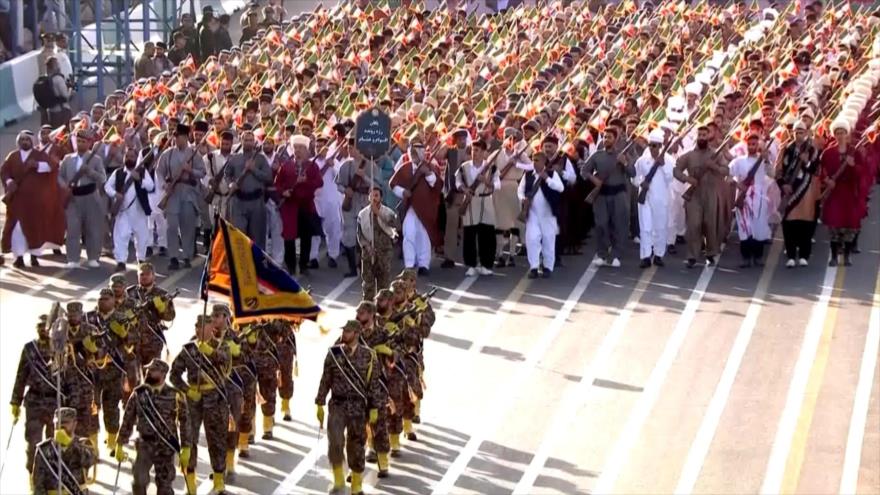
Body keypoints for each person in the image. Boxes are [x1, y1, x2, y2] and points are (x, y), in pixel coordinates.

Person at [315, 320, 381, 495]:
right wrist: (319, 402)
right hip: (337, 404)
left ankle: (357, 485)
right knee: (335, 442)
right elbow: (325, 379)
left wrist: (374, 407)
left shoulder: (369, 356)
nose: (345, 334)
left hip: (358, 406)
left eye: (349, 331)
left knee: (356, 445)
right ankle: (338, 482)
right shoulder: (334, 353)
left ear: (357, 334)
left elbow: (373, 385)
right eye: (344, 331)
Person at [170, 315, 231, 494]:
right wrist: (187, 390)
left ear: (212, 327)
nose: (198, 329)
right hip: (194, 400)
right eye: (196, 326)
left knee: (217, 439)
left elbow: (226, 361)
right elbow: (174, 374)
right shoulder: (188, 350)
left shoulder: (222, 345)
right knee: (189, 441)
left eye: (202, 326)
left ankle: (219, 479)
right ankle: (191, 483)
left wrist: (210, 352)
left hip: (216, 398)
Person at [117, 358, 192, 495]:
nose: (148, 372)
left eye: (153, 370)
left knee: (164, 486)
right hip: (145, 444)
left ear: (163, 374)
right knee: (139, 481)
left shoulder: (175, 395)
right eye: (148, 369)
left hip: (166, 446)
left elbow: (185, 421)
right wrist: (120, 444)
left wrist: (186, 447)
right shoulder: (139, 393)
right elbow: (128, 419)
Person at [1, 130, 64, 268]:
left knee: (34, 228)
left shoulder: (39, 155)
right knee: (17, 229)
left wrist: (37, 165)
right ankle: (19, 257)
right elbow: (4, 171)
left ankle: (34, 256)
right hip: (17, 201)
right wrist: (9, 181)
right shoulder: (13, 156)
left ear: (31, 141)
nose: (24, 142)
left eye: (27, 140)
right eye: (22, 139)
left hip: (35, 202)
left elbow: (52, 167)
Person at [674, 125, 729, 268]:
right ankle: (692, 255)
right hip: (694, 196)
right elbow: (676, 170)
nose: (702, 137)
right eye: (700, 135)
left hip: (710, 194)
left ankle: (711, 253)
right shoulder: (689, 155)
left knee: (710, 224)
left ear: (708, 136)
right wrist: (687, 179)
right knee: (694, 225)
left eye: (705, 135)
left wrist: (714, 166)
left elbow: (726, 170)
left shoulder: (716, 154)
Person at [10, 315, 59, 476]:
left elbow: (67, 377)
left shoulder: (60, 348)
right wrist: (16, 401)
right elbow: (21, 376)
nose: (43, 329)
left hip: (54, 402)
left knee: (54, 443)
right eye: (40, 326)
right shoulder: (30, 349)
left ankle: (51, 477)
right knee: (33, 443)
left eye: (46, 327)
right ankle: (34, 476)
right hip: (34, 401)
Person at [581, 127, 634, 267]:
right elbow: (584, 171)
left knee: (619, 224)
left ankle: (617, 254)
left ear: (616, 139)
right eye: (605, 137)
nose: (606, 140)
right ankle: (602, 254)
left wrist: (625, 163)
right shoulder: (597, 155)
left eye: (609, 137)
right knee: (601, 224)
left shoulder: (622, 155)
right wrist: (594, 180)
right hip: (602, 193)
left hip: (618, 193)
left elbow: (632, 173)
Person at [156, 123, 206, 270]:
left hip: (188, 193)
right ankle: (173, 257)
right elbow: (159, 172)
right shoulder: (168, 154)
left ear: (185, 137)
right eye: (175, 136)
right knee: (171, 226)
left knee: (187, 227)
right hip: (173, 192)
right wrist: (164, 185)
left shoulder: (194, 153)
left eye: (178, 137)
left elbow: (202, 172)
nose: (176, 139)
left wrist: (190, 170)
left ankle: (186, 256)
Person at [390, 136, 443, 275]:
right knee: (409, 232)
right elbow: (393, 184)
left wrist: (428, 174)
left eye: (418, 149)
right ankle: (409, 264)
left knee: (424, 235)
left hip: (427, 208)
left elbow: (437, 186)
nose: (414, 152)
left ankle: (424, 264)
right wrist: (403, 192)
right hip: (411, 208)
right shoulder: (405, 168)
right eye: (412, 149)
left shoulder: (430, 166)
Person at [58, 129, 106, 268]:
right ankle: (73, 258)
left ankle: (93, 257)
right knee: (73, 229)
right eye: (78, 141)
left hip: (90, 196)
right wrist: (65, 186)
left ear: (89, 143)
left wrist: (89, 172)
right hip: (73, 197)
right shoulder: (68, 159)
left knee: (93, 229)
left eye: (83, 141)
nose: (80, 144)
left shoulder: (95, 159)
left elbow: (103, 178)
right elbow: (59, 176)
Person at [820, 121, 866, 267]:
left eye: (843, 133)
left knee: (849, 225)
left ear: (847, 134)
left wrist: (853, 166)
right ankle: (833, 256)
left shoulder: (854, 152)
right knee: (834, 225)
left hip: (849, 192)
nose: (840, 136)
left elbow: (862, 172)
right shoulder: (828, 153)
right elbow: (821, 171)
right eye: (838, 133)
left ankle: (846, 256)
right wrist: (827, 180)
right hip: (834, 193)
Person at [276, 134, 323, 275]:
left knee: (306, 237)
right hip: (290, 206)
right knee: (289, 237)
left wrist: (306, 182)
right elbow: (277, 184)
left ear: (306, 150)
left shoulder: (312, 166)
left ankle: (303, 265)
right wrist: (283, 192)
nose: (298, 150)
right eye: (295, 147)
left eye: (301, 148)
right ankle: (290, 266)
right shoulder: (286, 166)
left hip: (306, 206)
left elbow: (319, 182)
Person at [730, 134, 779, 268]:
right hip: (743, 198)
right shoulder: (739, 161)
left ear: (758, 146)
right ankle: (745, 257)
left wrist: (767, 160)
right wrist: (738, 184)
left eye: (754, 144)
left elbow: (773, 174)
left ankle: (758, 257)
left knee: (759, 226)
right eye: (749, 144)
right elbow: (728, 175)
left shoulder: (763, 161)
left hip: (759, 199)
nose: (752, 146)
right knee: (745, 228)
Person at [777, 121, 821, 267]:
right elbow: (779, 170)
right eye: (796, 132)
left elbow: (816, 170)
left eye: (801, 132)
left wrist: (807, 162)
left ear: (806, 133)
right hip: (789, 189)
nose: (798, 134)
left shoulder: (812, 150)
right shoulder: (786, 149)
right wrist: (783, 185)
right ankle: (790, 254)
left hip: (805, 189)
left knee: (805, 222)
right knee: (789, 222)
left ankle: (804, 254)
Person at [106, 146, 155, 270]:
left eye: (132, 156)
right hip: (123, 211)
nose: (129, 159)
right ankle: (121, 262)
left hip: (139, 211)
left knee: (141, 237)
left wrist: (139, 179)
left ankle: (141, 260)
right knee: (121, 236)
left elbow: (150, 187)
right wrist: (115, 194)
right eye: (126, 156)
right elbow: (107, 187)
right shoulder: (118, 172)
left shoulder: (142, 171)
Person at [456, 138, 499, 276]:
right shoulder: (464, 167)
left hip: (486, 201)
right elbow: (458, 181)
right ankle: (471, 265)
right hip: (470, 201)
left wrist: (486, 181)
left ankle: (486, 264)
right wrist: (464, 189)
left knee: (487, 234)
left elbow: (497, 185)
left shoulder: (491, 167)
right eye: (473, 150)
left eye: (478, 150)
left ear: (484, 152)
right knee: (469, 235)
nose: (475, 153)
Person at [632, 129, 674, 267]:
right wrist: (640, 183)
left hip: (661, 199)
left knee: (660, 227)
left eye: (655, 145)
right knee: (645, 227)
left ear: (661, 146)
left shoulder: (668, 160)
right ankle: (645, 255)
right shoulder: (642, 160)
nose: (651, 148)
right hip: (645, 198)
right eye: (650, 145)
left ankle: (658, 254)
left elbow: (670, 178)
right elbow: (635, 178)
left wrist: (662, 166)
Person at [518, 151, 564, 278]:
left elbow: (560, 188)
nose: (534, 162)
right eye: (533, 159)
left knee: (548, 240)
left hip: (548, 214)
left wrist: (547, 179)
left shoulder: (551, 174)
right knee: (532, 239)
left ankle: (548, 267)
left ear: (544, 162)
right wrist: (523, 199)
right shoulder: (528, 175)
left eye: (537, 160)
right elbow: (520, 190)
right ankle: (534, 267)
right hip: (532, 213)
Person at [31, 407, 98, 494]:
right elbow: (38, 484)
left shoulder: (83, 444)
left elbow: (89, 461)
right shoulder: (44, 448)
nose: (60, 426)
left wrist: (70, 444)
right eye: (57, 423)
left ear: (75, 424)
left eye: (65, 423)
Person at [337, 141, 380, 278]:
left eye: (353, 147)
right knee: (349, 236)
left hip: (364, 203)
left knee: (366, 237)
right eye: (349, 147)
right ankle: (352, 268)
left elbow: (378, 186)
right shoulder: (345, 166)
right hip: (350, 204)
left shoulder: (370, 165)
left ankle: (364, 267)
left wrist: (364, 177)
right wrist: (346, 191)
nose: (350, 150)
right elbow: (338, 184)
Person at [226, 130, 273, 249]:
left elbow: (268, 177)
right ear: (241, 142)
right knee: (239, 236)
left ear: (254, 142)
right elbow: (227, 174)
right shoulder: (234, 158)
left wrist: (253, 169)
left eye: (251, 140)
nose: (248, 143)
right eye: (246, 140)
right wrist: (231, 184)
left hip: (256, 201)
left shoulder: (261, 159)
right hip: (239, 201)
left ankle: (258, 264)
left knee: (257, 237)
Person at [493, 128, 531, 267]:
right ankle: (500, 253)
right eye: (507, 136)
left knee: (514, 222)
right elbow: (490, 169)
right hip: (499, 188)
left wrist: (517, 162)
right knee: (500, 223)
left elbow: (531, 166)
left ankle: (512, 253)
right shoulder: (497, 153)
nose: (509, 139)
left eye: (512, 137)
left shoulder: (519, 154)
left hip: (514, 187)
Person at [126, 262, 176, 366]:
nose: (144, 277)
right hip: (131, 342)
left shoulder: (162, 294)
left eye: (147, 274)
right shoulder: (129, 293)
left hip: (152, 342)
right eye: (141, 274)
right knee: (133, 376)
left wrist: (161, 308)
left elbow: (170, 316)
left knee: (150, 375)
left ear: (153, 276)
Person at [310, 133, 344, 269]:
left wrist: (332, 165)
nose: (319, 148)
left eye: (322, 145)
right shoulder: (312, 162)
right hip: (316, 201)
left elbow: (341, 176)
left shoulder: (335, 162)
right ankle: (313, 258)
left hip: (331, 201)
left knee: (333, 230)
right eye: (317, 145)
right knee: (314, 232)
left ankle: (333, 255)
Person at [357, 187, 398, 300]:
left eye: (376, 195)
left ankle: (382, 312)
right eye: (372, 195)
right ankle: (368, 308)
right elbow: (360, 235)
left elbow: (394, 225)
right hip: (368, 254)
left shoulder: (388, 212)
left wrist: (378, 213)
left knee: (383, 286)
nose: (374, 198)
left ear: (381, 197)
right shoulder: (362, 214)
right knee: (368, 285)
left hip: (384, 253)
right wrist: (367, 247)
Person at [440, 129, 469, 268]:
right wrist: (445, 143)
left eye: (464, 138)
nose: (462, 141)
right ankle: (449, 257)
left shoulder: (471, 151)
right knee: (450, 227)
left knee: (467, 227)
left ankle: (468, 256)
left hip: (467, 194)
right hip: (453, 194)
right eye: (459, 139)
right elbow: (439, 155)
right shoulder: (450, 152)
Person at [44, 56, 72, 129]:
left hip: (51, 111)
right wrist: (70, 90)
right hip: (62, 110)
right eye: (57, 64)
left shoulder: (45, 78)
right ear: (55, 66)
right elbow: (65, 96)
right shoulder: (58, 78)